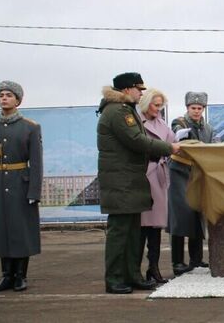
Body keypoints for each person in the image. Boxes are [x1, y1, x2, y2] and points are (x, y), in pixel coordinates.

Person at [97, 72, 181, 294]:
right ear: (126, 90)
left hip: (129, 181)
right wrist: (168, 148)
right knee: (120, 233)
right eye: (138, 89)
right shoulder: (117, 111)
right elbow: (136, 140)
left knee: (133, 234)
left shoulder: (124, 110)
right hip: (121, 181)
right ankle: (115, 278)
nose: (141, 93)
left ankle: (131, 275)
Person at [0, 81, 43, 292]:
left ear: (18, 100)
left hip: (21, 185)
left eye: (9, 95)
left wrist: (34, 191)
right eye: (1, 95)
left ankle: (21, 276)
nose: (4, 98)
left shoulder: (30, 127)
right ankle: (7, 275)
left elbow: (36, 163)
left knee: (20, 231)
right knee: (1, 231)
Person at [168, 91, 213, 276]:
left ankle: (196, 259)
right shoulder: (180, 123)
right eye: (193, 108)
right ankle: (178, 261)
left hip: (197, 173)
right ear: (187, 108)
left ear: (203, 109)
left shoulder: (208, 128)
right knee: (180, 216)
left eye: (199, 108)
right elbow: (183, 142)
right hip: (179, 172)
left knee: (196, 214)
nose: (196, 111)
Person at [137, 88, 175, 284]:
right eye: (156, 104)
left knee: (156, 227)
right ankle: (136, 271)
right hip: (144, 175)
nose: (158, 108)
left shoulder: (161, 123)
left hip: (158, 176)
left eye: (161, 105)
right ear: (146, 104)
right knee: (142, 227)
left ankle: (154, 268)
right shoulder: (136, 122)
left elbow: (173, 142)